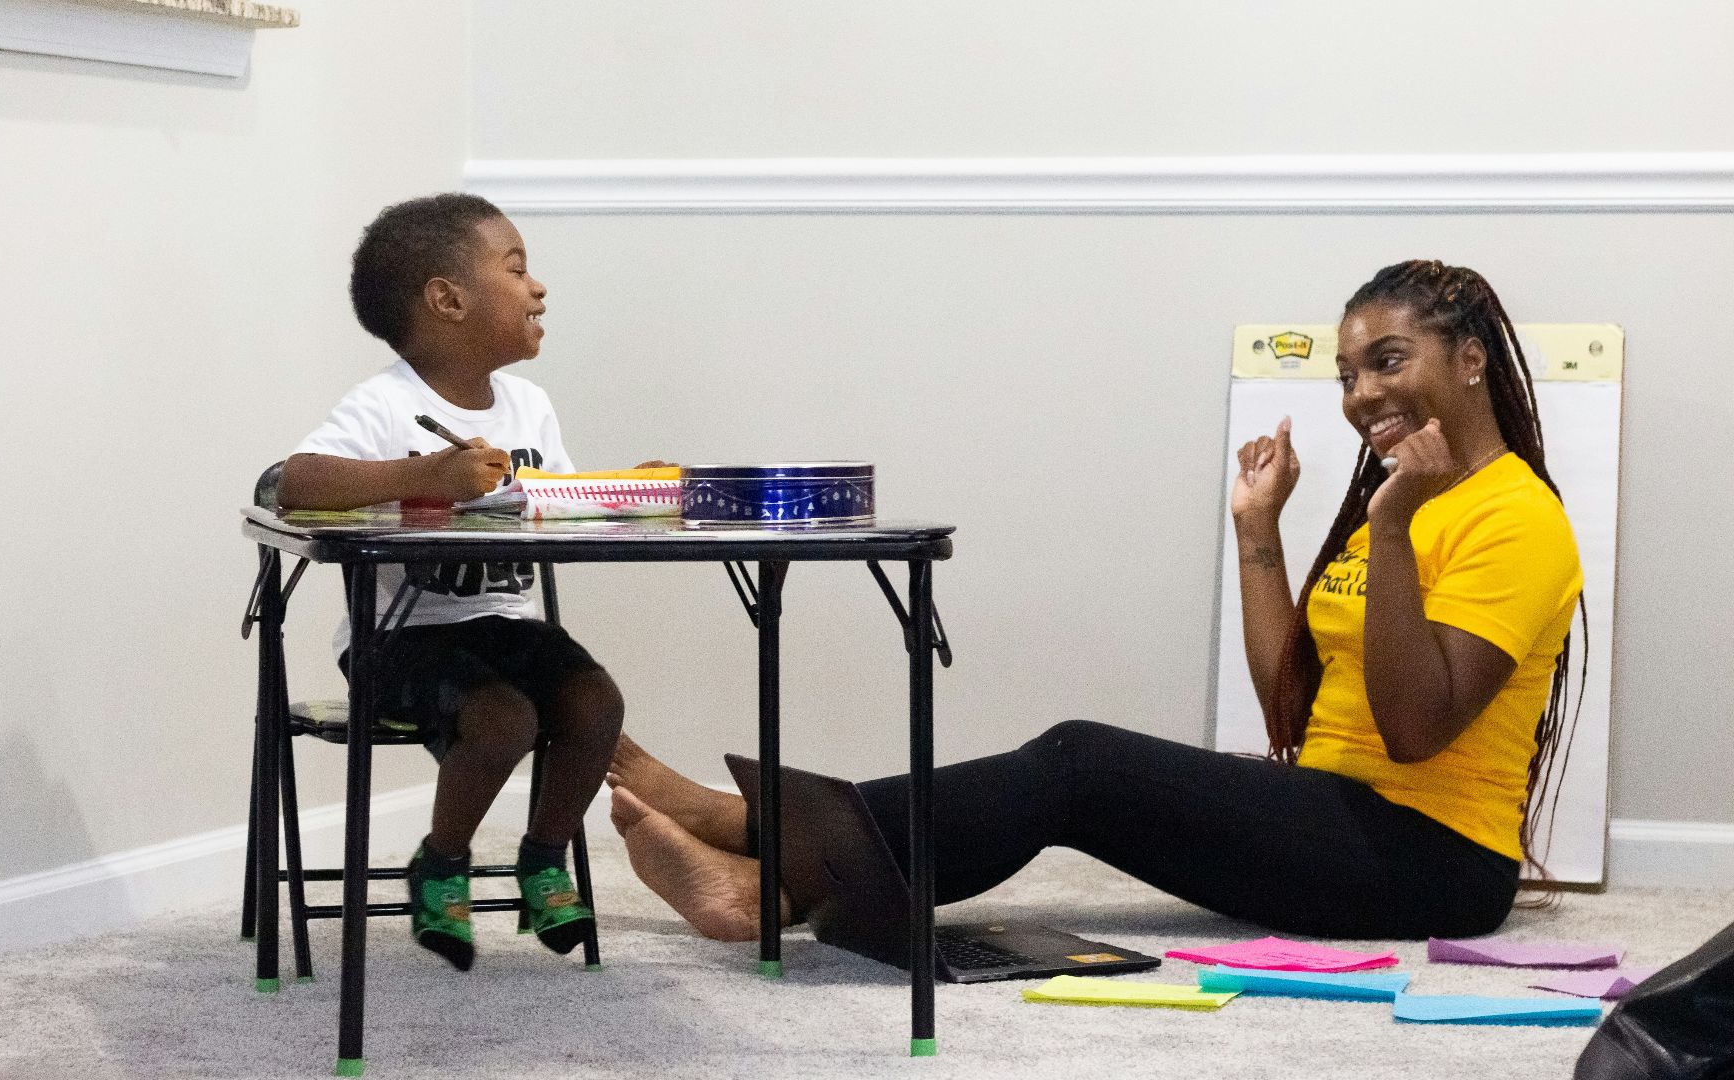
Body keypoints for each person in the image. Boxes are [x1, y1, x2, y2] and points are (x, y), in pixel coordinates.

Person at [607, 259, 1584, 943]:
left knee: (1078, 763)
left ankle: (762, 858)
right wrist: (1257, 532)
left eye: (1387, 360)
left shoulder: (1515, 518)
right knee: (1075, 776)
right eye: (1346, 373)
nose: (1361, 394)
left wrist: (1398, 524)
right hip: (1345, 815)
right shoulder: (1406, 505)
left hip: (1430, 861)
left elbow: (1414, 733)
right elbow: (1293, 708)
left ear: (1470, 360)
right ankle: (765, 851)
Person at [280, 192, 664, 970]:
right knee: (503, 720)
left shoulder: (530, 405)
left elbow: (552, 504)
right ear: (447, 299)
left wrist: (624, 492)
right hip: (400, 640)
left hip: (505, 624)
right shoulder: (386, 403)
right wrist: (431, 473)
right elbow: (296, 481)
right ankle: (442, 864)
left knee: (597, 705)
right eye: (516, 268)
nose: (538, 289)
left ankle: (544, 858)